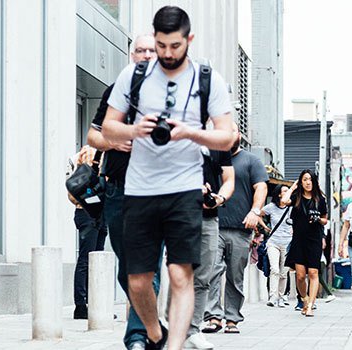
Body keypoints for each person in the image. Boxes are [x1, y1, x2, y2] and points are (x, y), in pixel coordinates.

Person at [101, 6, 237, 349]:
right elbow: (107, 127)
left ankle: (173, 346)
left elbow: (228, 136)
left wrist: (191, 134)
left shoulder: (207, 79)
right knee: (137, 280)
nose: (166, 53)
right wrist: (135, 129)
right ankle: (154, 333)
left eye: (174, 46)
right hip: (140, 189)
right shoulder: (134, 76)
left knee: (180, 273)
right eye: (161, 45)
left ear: (188, 39)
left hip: (184, 188)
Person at [86, 33, 156, 350]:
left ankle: (137, 337)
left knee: (147, 266)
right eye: (139, 50)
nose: (144, 55)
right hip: (118, 190)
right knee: (127, 269)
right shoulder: (116, 92)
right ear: (131, 55)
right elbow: (93, 136)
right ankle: (149, 322)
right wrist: (113, 141)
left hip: (156, 192)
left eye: (150, 51)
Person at [204, 127, 269, 334]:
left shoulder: (251, 161)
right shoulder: (211, 157)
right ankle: (214, 316)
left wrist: (255, 211)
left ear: (239, 135)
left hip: (241, 228)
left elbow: (261, 188)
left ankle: (232, 318)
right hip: (213, 224)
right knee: (212, 271)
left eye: (231, 131)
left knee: (235, 275)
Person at [185, 141, 234, 349]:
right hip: (180, 214)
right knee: (180, 274)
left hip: (209, 217)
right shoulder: (176, 136)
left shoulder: (219, 144)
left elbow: (229, 178)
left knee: (204, 275)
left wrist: (219, 197)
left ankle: (193, 331)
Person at [66, 146, 108, 320]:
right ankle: (81, 306)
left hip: (92, 212)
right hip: (89, 212)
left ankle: (92, 305)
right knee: (87, 259)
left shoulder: (81, 154)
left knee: (95, 261)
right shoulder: (92, 154)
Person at [282, 169, 329, 317]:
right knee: (300, 276)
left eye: (310, 179)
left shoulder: (320, 199)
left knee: (313, 272)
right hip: (299, 240)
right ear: (301, 182)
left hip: (314, 239)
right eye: (305, 180)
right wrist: (293, 187)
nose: (308, 182)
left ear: (314, 181)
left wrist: (318, 219)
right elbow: (283, 201)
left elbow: (325, 219)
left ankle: (311, 305)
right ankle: (305, 299)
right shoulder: (296, 197)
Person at [261, 185, 293, 307]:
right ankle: (273, 297)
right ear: (279, 194)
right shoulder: (271, 207)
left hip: (287, 243)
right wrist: (264, 226)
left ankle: (281, 296)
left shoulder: (292, 208)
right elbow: (258, 213)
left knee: (284, 272)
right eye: (285, 191)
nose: (287, 192)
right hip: (273, 242)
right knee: (274, 269)